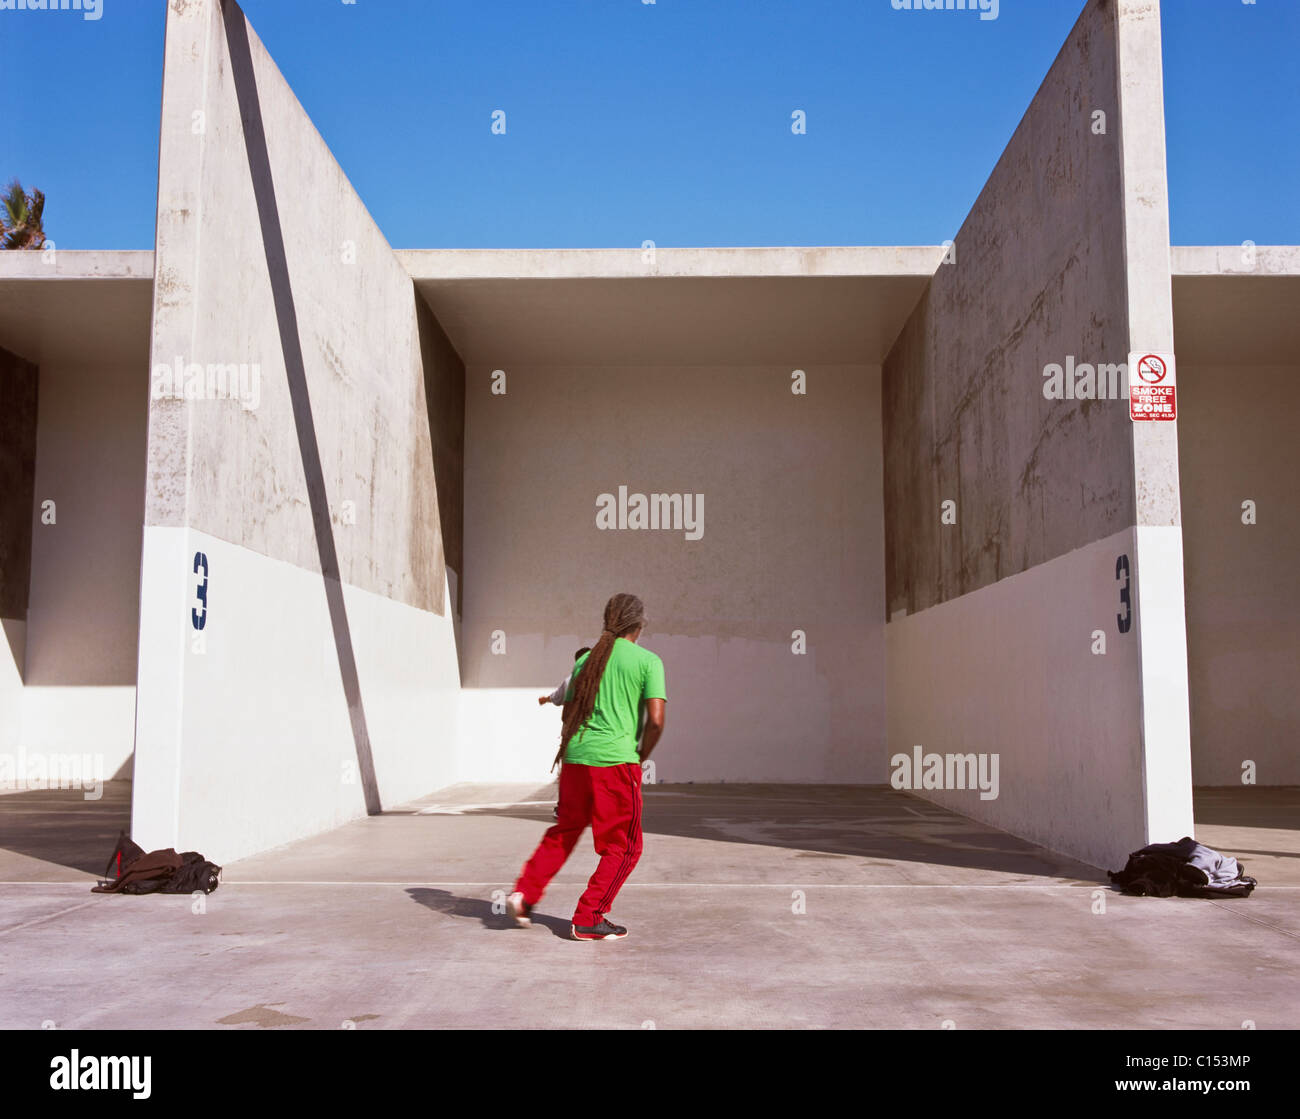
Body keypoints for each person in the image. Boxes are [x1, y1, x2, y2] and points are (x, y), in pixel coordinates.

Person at [508, 593, 666, 940]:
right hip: (614, 763)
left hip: (576, 760)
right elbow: (655, 720)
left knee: (564, 831)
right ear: (639, 625)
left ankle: (523, 895)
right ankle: (589, 916)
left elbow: (568, 707)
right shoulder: (647, 661)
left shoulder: (586, 660)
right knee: (624, 847)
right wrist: (641, 755)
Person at [538, 647, 591, 818]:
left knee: (569, 774)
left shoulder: (570, 680)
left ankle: (564, 808)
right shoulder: (603, 680)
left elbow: (557, 698)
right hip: (595, 736)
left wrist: (545, 699)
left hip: (572, 736)